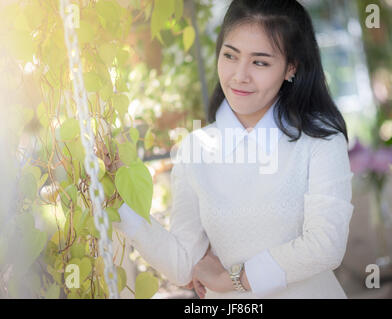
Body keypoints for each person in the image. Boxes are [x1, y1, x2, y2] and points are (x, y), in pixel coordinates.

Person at [113, 0, 354, 299]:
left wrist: (235, 278)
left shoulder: (319, 141)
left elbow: (326, 245)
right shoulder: (195, 149)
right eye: (230, 56)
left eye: (260, 62)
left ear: (291, 67)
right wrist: (117, 206)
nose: (240, 75)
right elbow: (183, 265)